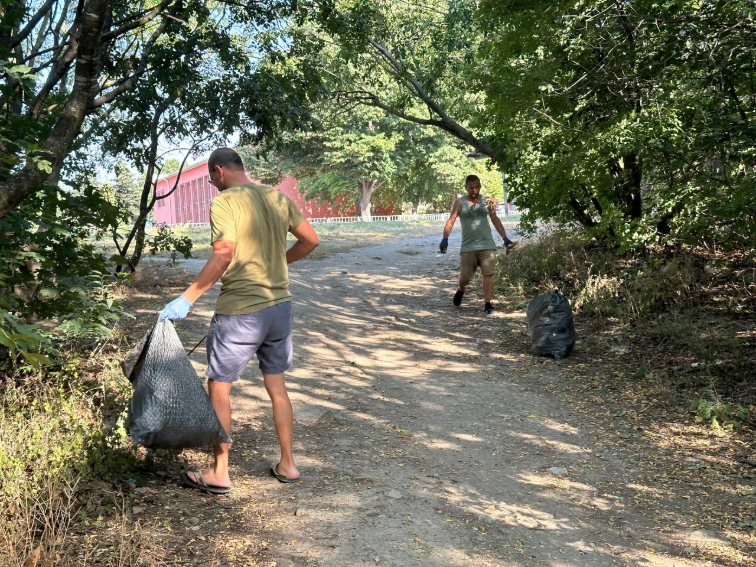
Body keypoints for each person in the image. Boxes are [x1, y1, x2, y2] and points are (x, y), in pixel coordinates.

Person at [159, 147, 319, 494]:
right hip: (280, 308)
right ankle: (288, 465)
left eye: (211, 179)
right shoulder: (277, 198)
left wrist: (187, 298)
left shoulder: (225, 201)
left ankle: (220, 472)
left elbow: (224, 253)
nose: (213, 185)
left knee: (219, 386)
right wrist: (278, 263)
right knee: (277, 388)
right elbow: (311, 240)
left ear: (218, 171)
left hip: (241, 311)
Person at [439, 174, 516, 314]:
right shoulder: (459, 202)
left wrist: (505, 238)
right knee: (465, 277)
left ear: (480, 186)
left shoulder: (487, 201)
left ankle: (487, 303)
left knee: (488, 274)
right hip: (468, 246)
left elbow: (495, 219)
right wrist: (445, 238)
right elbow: (451, 220)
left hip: (487, 244)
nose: (474, 190)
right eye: (471, 188)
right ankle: (461, 289)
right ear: (466, 187)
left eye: (477, 187)